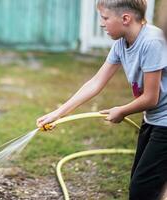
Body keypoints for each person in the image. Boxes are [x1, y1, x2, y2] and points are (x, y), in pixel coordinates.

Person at [36, 0, 167, 199]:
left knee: (142, 189)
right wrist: (57, 114)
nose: (101, 24)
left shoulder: (151, 42)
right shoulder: (121, 45)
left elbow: (150, 98)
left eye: (105, 18)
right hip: (154, 119)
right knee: (145, 183)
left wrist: (121, 111)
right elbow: (96, 82)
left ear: (125, 18)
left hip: (164, 122)